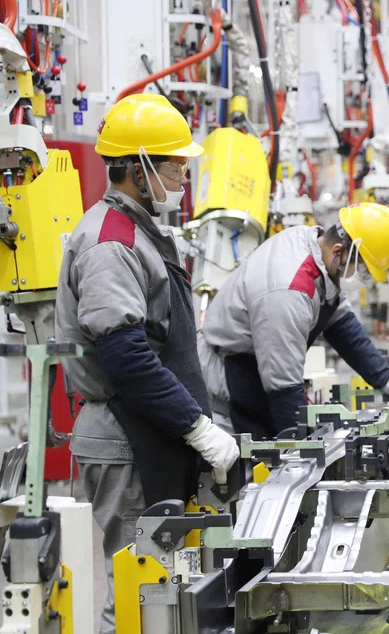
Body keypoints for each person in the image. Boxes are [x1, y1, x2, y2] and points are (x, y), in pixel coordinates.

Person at [55, 94, 240, 634]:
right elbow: (126, 358)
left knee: (164, 583)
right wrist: (198, 427)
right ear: (138, 169)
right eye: (174, 164)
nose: (183, 175)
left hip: (148, 430)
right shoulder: (110, 244)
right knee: (141, 584)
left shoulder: (137, 231)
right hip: (123, 437)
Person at [198, 203, 389, 440]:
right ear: (339, 251)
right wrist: (302, 451)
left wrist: (384, 377)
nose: (363, 280)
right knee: (251, 465)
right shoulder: (289, 288)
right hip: (228, 378)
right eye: (362, 271)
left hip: (258, 369)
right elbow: (284, 383)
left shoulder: (315, 251)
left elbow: (340, 322)